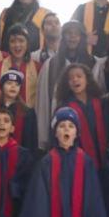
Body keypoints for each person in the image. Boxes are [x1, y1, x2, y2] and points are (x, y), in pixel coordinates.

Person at [36, 20, 95, 150]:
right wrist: (43, 139)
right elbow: (43, 102)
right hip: (60, 130)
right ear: (63, 37)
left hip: (88, 129)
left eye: (76, 33)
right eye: (68, 33)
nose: (72, 37)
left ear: (82, 37)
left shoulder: (94, 63)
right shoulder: (51, 65)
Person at [55, 64, 109, 169]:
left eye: (79, 76)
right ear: (67, 84)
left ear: (87, 80)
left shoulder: (102, 103)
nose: (75, 80)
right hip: (77, 163)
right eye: (70, 78)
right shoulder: (64, 108)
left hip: (106, 160)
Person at [0, 23, 40, 107]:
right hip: (5, 117)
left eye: (21, 41)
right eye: (13, 41)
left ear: (27, 43)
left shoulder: (38, 68)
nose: (17, 45)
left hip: (30, 117)